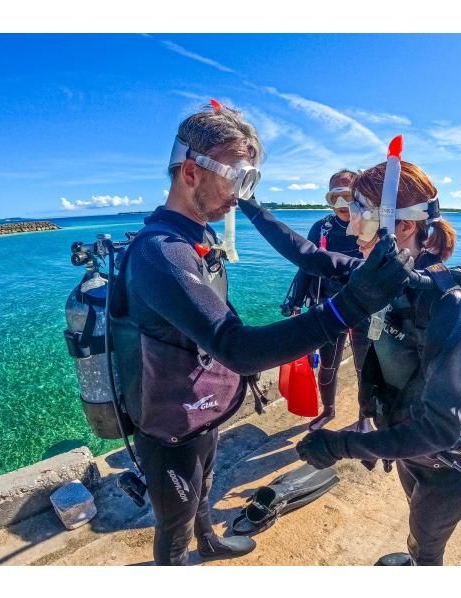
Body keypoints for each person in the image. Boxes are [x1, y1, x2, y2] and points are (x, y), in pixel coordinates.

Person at [112, 102, 413, 566]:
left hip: (198, 405)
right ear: (191, 172)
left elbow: (310, 256)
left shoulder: (195, 236)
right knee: (174, 519)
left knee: (204, 484)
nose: (241, 195)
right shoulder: (161, 254)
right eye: (237, 178)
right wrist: (351, 305)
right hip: (167, 422)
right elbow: (238, 348)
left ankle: (208, 542)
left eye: (250, 181)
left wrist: (368, 272)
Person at [238, 159, 461, 566]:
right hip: (405, 448)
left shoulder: (448, 304)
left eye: (360, 216)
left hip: (444, 468)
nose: (352, 230)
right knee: (415, 530)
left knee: (427, 546)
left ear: (403, 226)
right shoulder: (383, 278)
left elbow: (442, 429)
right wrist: (249, 204)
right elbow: (309, 255)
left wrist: (342, 446)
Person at [282, 169, 370, 430]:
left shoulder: (372, 226)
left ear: (359, 196)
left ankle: (365, 418)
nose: (341, 204)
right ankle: (328, 411)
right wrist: (295, 302)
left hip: (364, 307)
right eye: (334, 197)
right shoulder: (322, 228)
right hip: (330, 306)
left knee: (365, 367)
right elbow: (306, 265)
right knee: (328, 365)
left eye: (347, 196)